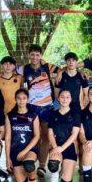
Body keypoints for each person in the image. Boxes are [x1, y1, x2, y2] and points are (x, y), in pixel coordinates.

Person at [23, 44, 57, 175]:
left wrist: (59, 74)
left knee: (45, 136)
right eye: (32, 54)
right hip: (31, 107)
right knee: (32, 136)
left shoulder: (47, 66)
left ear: (41, 56)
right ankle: (29, 161)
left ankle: (42, 166)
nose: (35, 57)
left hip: (47, 107)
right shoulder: (24, 69)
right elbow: (10, 72)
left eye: (37, 55)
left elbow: (64, 68)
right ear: (28, 55)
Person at [5, 88, 41, 182]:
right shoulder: (10, 116)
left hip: (29, 150)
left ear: (27, 99)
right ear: (15, 100)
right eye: (19, 98)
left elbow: (37, 136)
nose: (21, 101)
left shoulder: (33, 115)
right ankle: (26, 174)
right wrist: (8, 158)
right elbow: (7, 138)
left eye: (24, 98)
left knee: (28, 165)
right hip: (15, 151)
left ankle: (33, 180)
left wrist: (24, 151)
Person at [47, 89, 81, 182]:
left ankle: (62, 169)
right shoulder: (53, 114)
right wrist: (55, 147)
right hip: (56, 145)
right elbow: (50, 133)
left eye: (67, 97)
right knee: (53, 165)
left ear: (71, 99)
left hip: (69, 147)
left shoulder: (75, 114)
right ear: (58, 98)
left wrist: (62, 148)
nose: (64, 99)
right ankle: (55, 173)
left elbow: (74, 135)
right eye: (62, 97)